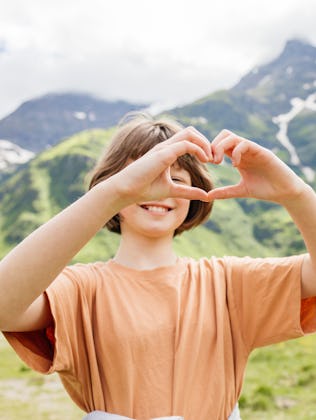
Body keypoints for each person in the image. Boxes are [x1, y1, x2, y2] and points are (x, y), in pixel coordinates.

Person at [1, 112, 316, 420]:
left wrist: (297, 194)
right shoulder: (82, 290)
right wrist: (113, 192)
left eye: (176, 179)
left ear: (195, 195)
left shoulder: (228, 282)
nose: (160, 189)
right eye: (144, 176)